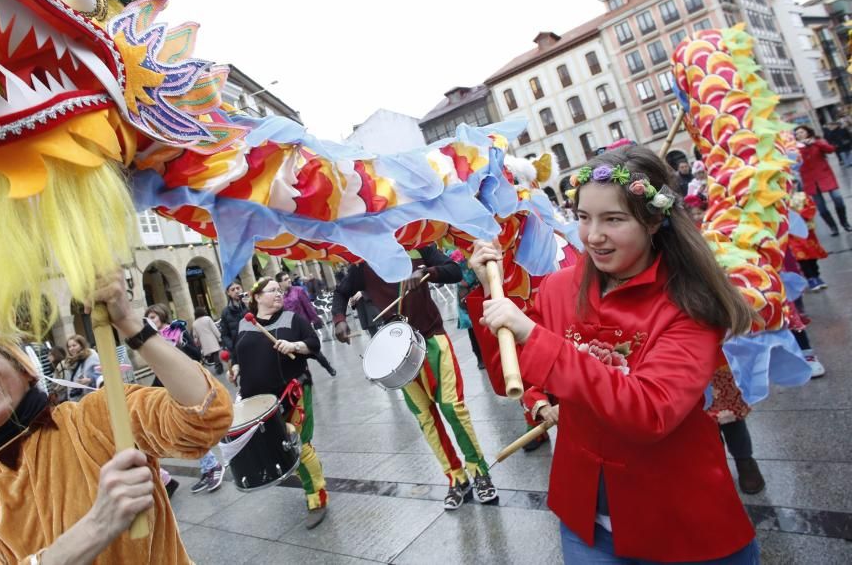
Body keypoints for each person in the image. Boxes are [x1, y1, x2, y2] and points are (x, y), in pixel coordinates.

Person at [468, 145, 758, 562]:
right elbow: (509, 379)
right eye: (584, 218)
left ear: (655, 221)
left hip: (680, 521)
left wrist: (536, 337)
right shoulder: (558, 288)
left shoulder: (690, 304)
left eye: (614, 219)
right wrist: (487, 294)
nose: (593, 236)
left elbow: (650, 412)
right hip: (586, 519)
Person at [0, 273, 233, 563]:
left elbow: (204, 417)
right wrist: (97, 526)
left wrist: (129, 323)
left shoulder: (99, 414)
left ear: (25, 372)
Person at [332, 244, 498, 510]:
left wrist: (426, 271)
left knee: (453, 408)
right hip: (398, 350)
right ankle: (456, 477)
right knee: (425, 417)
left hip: (432, 338)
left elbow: (455, 270)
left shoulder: (419, 245)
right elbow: (340, 292)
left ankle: (479, 472)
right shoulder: (364, 263)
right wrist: (339, 318)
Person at [227, 277, 329, 529]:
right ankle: (312, 474)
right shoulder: (245, 323)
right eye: (271, 291)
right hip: (260, 401)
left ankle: (317, 497)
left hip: (292, 393)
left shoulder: (292, 319)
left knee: (299, 445)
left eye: (279, 290)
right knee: (287, 449)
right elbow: (241, 353)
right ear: (257, 297)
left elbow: (314, 343)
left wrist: (295, 345)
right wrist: (236, 368)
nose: (278, 294)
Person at [145, 303, 225, 494]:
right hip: (170, 390)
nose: (151, 321)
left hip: (187, 386)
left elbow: (196, 355)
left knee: (191, 430)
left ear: (163, 316)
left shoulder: (177, 330)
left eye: (153, 317)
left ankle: (214, 466)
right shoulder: (154, 340)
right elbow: (160, 369)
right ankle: (208, 468)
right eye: (148, 319)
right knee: (185, 432)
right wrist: (153, 391)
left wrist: (180, 344)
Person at [793, 125, 850, 236]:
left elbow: (830, 150)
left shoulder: (817, 142)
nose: (799, 134)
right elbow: (794, 163)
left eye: (801, 132)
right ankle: (833, 227)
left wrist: (815, 142)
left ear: (808, 132)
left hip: (825, 175)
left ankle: (845, 223)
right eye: (797, 133)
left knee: (838, 198)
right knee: (821, 208)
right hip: (810, 180)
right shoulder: (795, 148)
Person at [65, 334, 102, 402]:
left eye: (74, 345)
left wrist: (90, 380)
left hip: (93, 397)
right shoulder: (70, 361)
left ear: (81, 345)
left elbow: (102, 374)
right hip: (78, 400)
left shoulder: (91, 355)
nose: (71, 349)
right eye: (69, 347)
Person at [192, 307, 224, 375]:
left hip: (204, 342)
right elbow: (214, 329)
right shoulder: (207, 319)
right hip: (212, 339)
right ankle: (218, 365)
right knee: (215, 353)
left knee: (212, 354)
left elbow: (195, 335)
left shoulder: (194, 323)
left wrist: (197, 342)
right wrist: (219, 337)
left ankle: (217, 365)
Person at [219, 281, 248, 356]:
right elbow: (224, 334)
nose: (236, 291)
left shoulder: (250, 305)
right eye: (233, 290)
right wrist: (233, 347)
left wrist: (248, 306)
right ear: (228, 293)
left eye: (238, 288)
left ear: (242, 289)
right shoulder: (225, 312)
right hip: (238, 351)